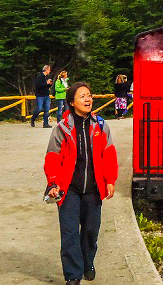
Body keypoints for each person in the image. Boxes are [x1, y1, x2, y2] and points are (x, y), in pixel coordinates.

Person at [45, 82, 118, 285]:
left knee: (90, 230)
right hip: (68, 189)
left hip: (93, 189)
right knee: (69, 233)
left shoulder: (101, 125)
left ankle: (88, 263)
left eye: (89, 95)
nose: (88, 99)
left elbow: (109, 155)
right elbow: (52, 157)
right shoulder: (62, 128)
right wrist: (53, 183)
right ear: (71, 102)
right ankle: (73, 275)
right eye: (82, 96)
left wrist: (110, 180)